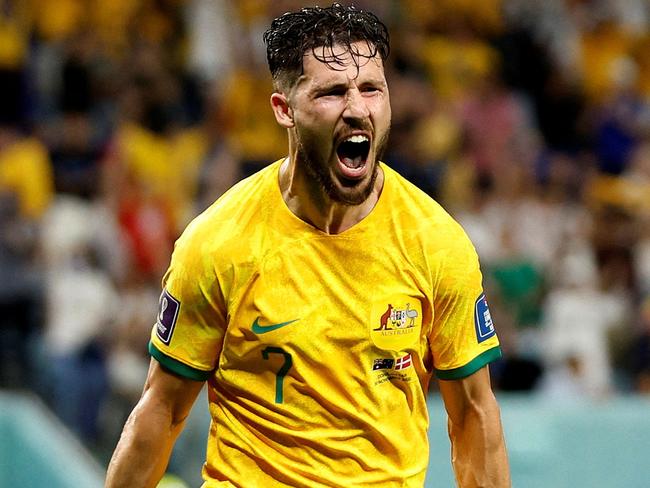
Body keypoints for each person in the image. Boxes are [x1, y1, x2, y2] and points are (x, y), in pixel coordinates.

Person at [105, 4, 510, 487]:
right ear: (285, 110)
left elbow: (472, 415)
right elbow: (162, 409)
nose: (357, 108)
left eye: (371, 89)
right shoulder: (217, 244)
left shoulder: (437, 244)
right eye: (333, 92)